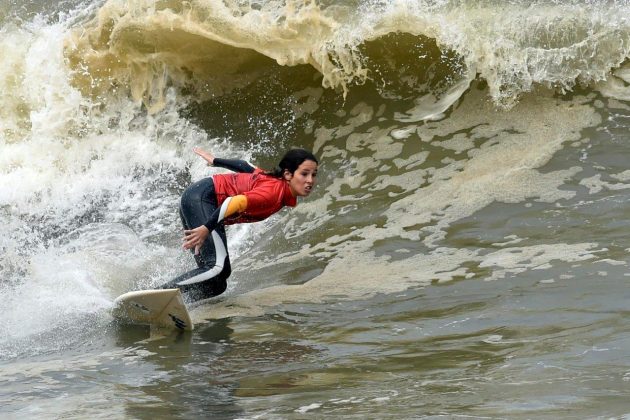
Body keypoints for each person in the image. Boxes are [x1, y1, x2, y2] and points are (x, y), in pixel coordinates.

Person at [160, 146, 319, 302]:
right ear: (288, 174)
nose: (310, 180)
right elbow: (234, 202)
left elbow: (246, 166)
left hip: (203, 200)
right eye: (304, 174)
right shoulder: (273, 193)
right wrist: (206, 228)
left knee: (218, 283)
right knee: (216, 267)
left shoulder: (274, 182)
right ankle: (160, 295)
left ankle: (176, 303)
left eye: (314, 174)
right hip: (202, 199)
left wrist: (215, 160)